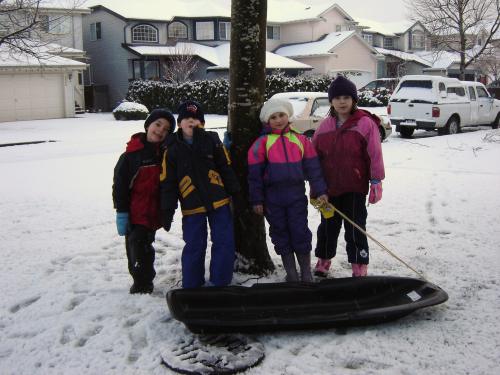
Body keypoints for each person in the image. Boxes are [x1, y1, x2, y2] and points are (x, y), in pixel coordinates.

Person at [160, 100, 240, 288]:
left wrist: (235, 191)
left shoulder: (212, 140)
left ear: (202, 123)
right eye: (186, 118)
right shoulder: (171, 148)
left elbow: (225, 167)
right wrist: (167, 210)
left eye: (196, 119)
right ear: (179, 123)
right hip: (191, 206)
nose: (191, 122)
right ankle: (192, 284)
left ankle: (220, 281)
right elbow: (167, 183)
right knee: (195, 245)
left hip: (218, 201)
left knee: (224, 241)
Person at [247, 98, 328, 282]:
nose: (278, 120)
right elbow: (254, 176)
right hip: (272, 199)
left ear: (288, 115)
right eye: (273, 117)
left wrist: (320, 190)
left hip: (296, 196)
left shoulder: (301, 140)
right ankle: (291, 273)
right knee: (280, 234)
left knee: (300, 232)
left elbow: (313, 168)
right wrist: (257, 200)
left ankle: (306, 272)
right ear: (267, 121)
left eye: (281, 115)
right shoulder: (261, 144)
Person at [312, 75, 385, 277]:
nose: (341, 101)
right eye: (337, 97)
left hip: (355, 186)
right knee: (327, 227)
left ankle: (359, 265)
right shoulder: (325, 126)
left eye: (346, 97)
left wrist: (376, 180)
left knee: (355, 227)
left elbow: (374, 154)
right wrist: (316, 187)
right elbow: (313, 157)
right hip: (329, 189)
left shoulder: (365, 124)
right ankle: (323, 260)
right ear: (331, 101)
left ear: (354, 99)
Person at [113, 108, 176, 294]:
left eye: (166, 129)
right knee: (134, 245)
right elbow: (120, 186)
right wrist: (122, 212)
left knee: (142, 246)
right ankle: (140, 280)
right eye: (158, 124)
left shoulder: (165, 154)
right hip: (134, 212)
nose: (160, 130)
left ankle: (143, 283)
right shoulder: (131, 156)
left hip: (153, 212)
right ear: (148, 124)